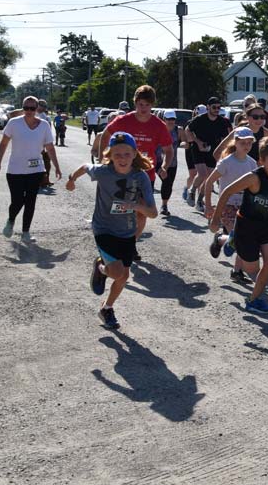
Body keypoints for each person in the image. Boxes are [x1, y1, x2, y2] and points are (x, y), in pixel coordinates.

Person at [65, 132, 157, 330]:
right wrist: (71, 180)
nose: (122, 158)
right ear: (110, 155)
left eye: (126, 154)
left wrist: (135, 206)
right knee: (116, 273)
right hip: (103, 228)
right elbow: (84, 167)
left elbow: (153, 213)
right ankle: (101, 268)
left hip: (127, 232)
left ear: (134, 154)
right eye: (117, 154)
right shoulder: (103, 172)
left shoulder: (140, 177)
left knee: (123, 277)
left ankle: (107, 308)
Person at [209, 136, 268, 314]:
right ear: (261, 161)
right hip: (247, 228)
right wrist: (216, 219)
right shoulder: (253, 178)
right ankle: (226, 239)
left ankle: (253, 300)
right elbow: (225, 192)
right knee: (252, 269)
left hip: (267, 226)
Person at [97, 85, 173, 243]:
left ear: (152, 105)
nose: (143, 108)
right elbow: (105, 135)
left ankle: (131, 244)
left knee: (141, 212)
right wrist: (102, 159)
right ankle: (114, 238)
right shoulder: (124, 120)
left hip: (146, 174)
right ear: (135, 103)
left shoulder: (158, 125)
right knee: (118, 209)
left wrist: (165, 166)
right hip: (121, 172)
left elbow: (169, 149)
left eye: (147, 105)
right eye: (140, 104)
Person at [0, 96, 60, 242]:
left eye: (32, 108)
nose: (29, 111)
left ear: (37, 109)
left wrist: (56, 167)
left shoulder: (44, 125)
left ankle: (25, 233)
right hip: (15, 170)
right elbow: (3, 143)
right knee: (17, 201)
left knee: (31, 201)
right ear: (22, 108)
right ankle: (11, 221)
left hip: (36, 170)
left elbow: (50, 147)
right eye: (26, 108)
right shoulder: (14, 123)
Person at [204, 128, 260, 283]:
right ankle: (237, 270)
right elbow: (209, 182)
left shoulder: (252, 163)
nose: (246, 145)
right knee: (241, 238)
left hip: (244, 206)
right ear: (235, 142)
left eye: (249, 142)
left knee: (242, 238)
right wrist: (208, 206)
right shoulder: (226, 162)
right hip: (227, 205)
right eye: (243, 142)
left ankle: (221, 241)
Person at [183, 97, 231, 208]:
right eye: (214, 107)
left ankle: (200, 199)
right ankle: (192, 191)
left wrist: (224, 152)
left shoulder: (222, 122)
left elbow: (225, 138)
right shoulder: (200, 119)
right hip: (198, 148)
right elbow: (188, 129)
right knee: (202, 174)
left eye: (219, 107)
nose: (216, 109)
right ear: (208, 107)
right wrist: (197, 142)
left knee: (209, 178)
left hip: (213, 151)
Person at [156, 110, 182, 217]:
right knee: (165, 180)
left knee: (168, 184)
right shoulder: (158, 130)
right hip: (157, 160)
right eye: (168, 119)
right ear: (163, 119)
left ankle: (164, 205)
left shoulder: (178, 130)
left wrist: (184, 144)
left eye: (173, 119)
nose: (171, 121)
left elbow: (184, 141)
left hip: (172, 162)